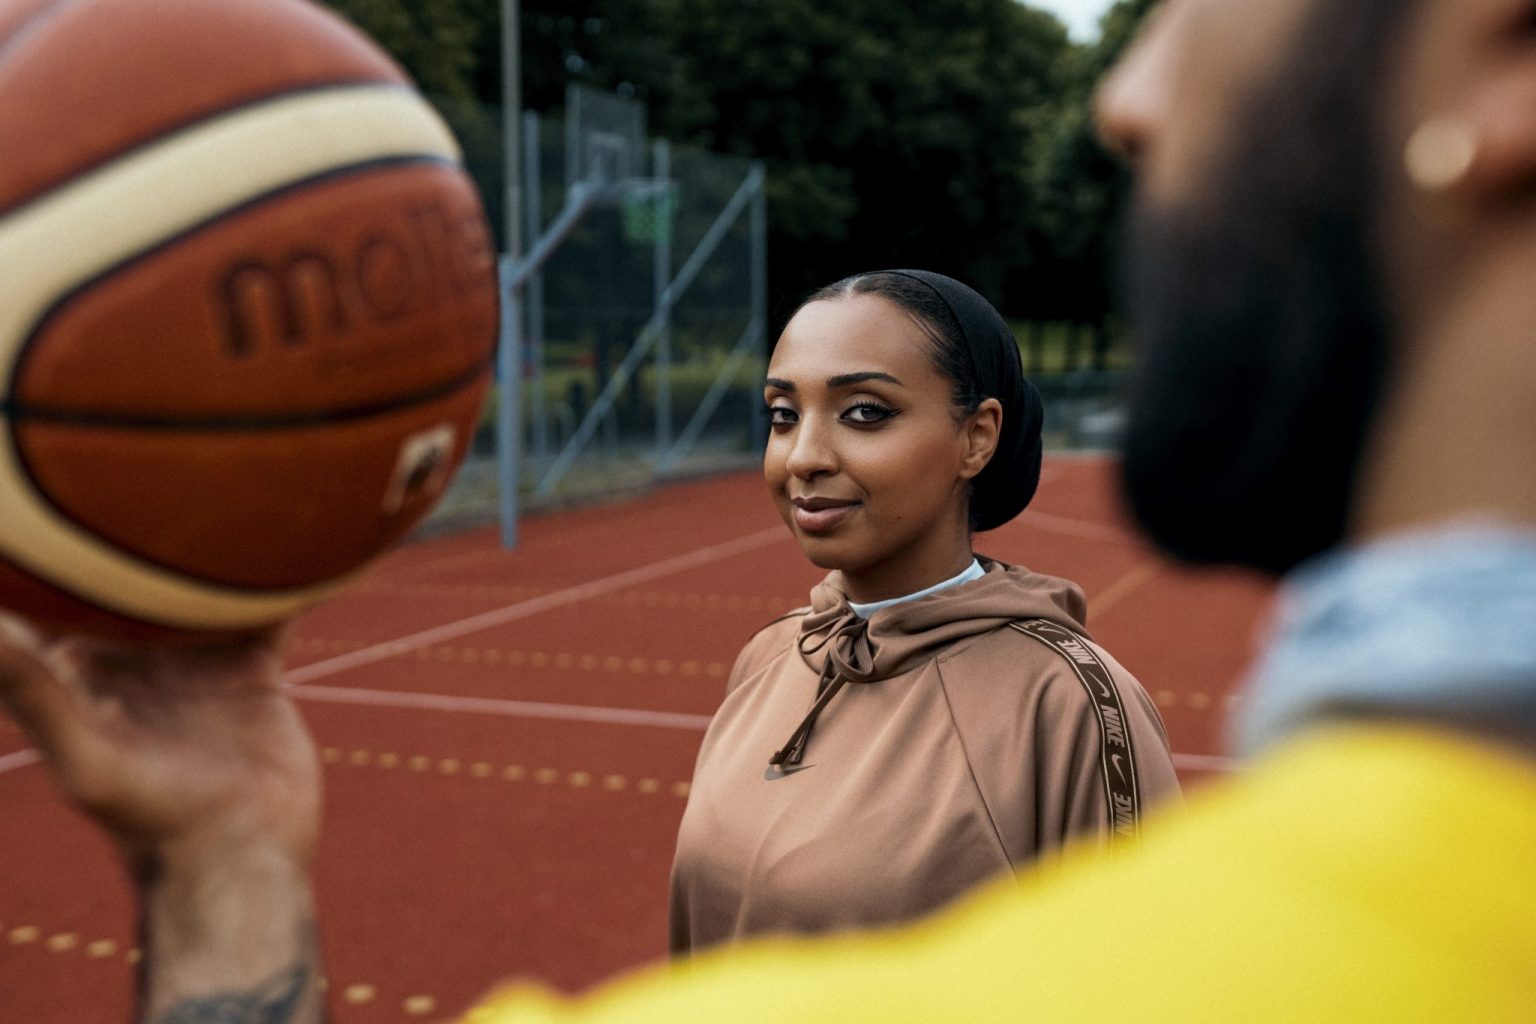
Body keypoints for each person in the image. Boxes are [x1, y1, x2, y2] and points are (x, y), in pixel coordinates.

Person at [4, 0, 1536, 1018]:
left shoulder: (1103, 731)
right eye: (782, 409)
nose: (1126, 98)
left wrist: (219, 879)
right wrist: (226, 844)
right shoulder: (764, 661)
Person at [668, 270, 1180, 953]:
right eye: (783, 415)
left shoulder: (1070, 704)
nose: (804, 457)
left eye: (865, 413)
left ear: (977, 437)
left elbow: (1142, 976)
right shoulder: (770, 656)